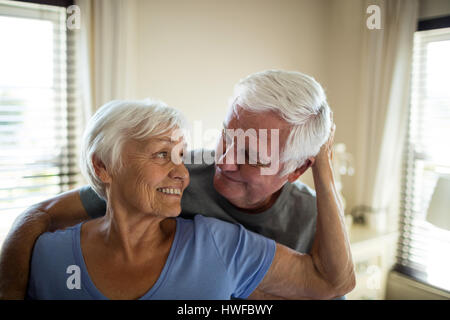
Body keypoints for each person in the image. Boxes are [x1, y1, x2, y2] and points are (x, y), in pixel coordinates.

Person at [0, 70, 350, 299]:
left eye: (250, 155)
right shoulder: (177, 176)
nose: (223, 161)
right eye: (226, 137)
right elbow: (40, 214)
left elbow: (337, 283)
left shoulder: (310, 216)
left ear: (294, 170)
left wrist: (324, 165)